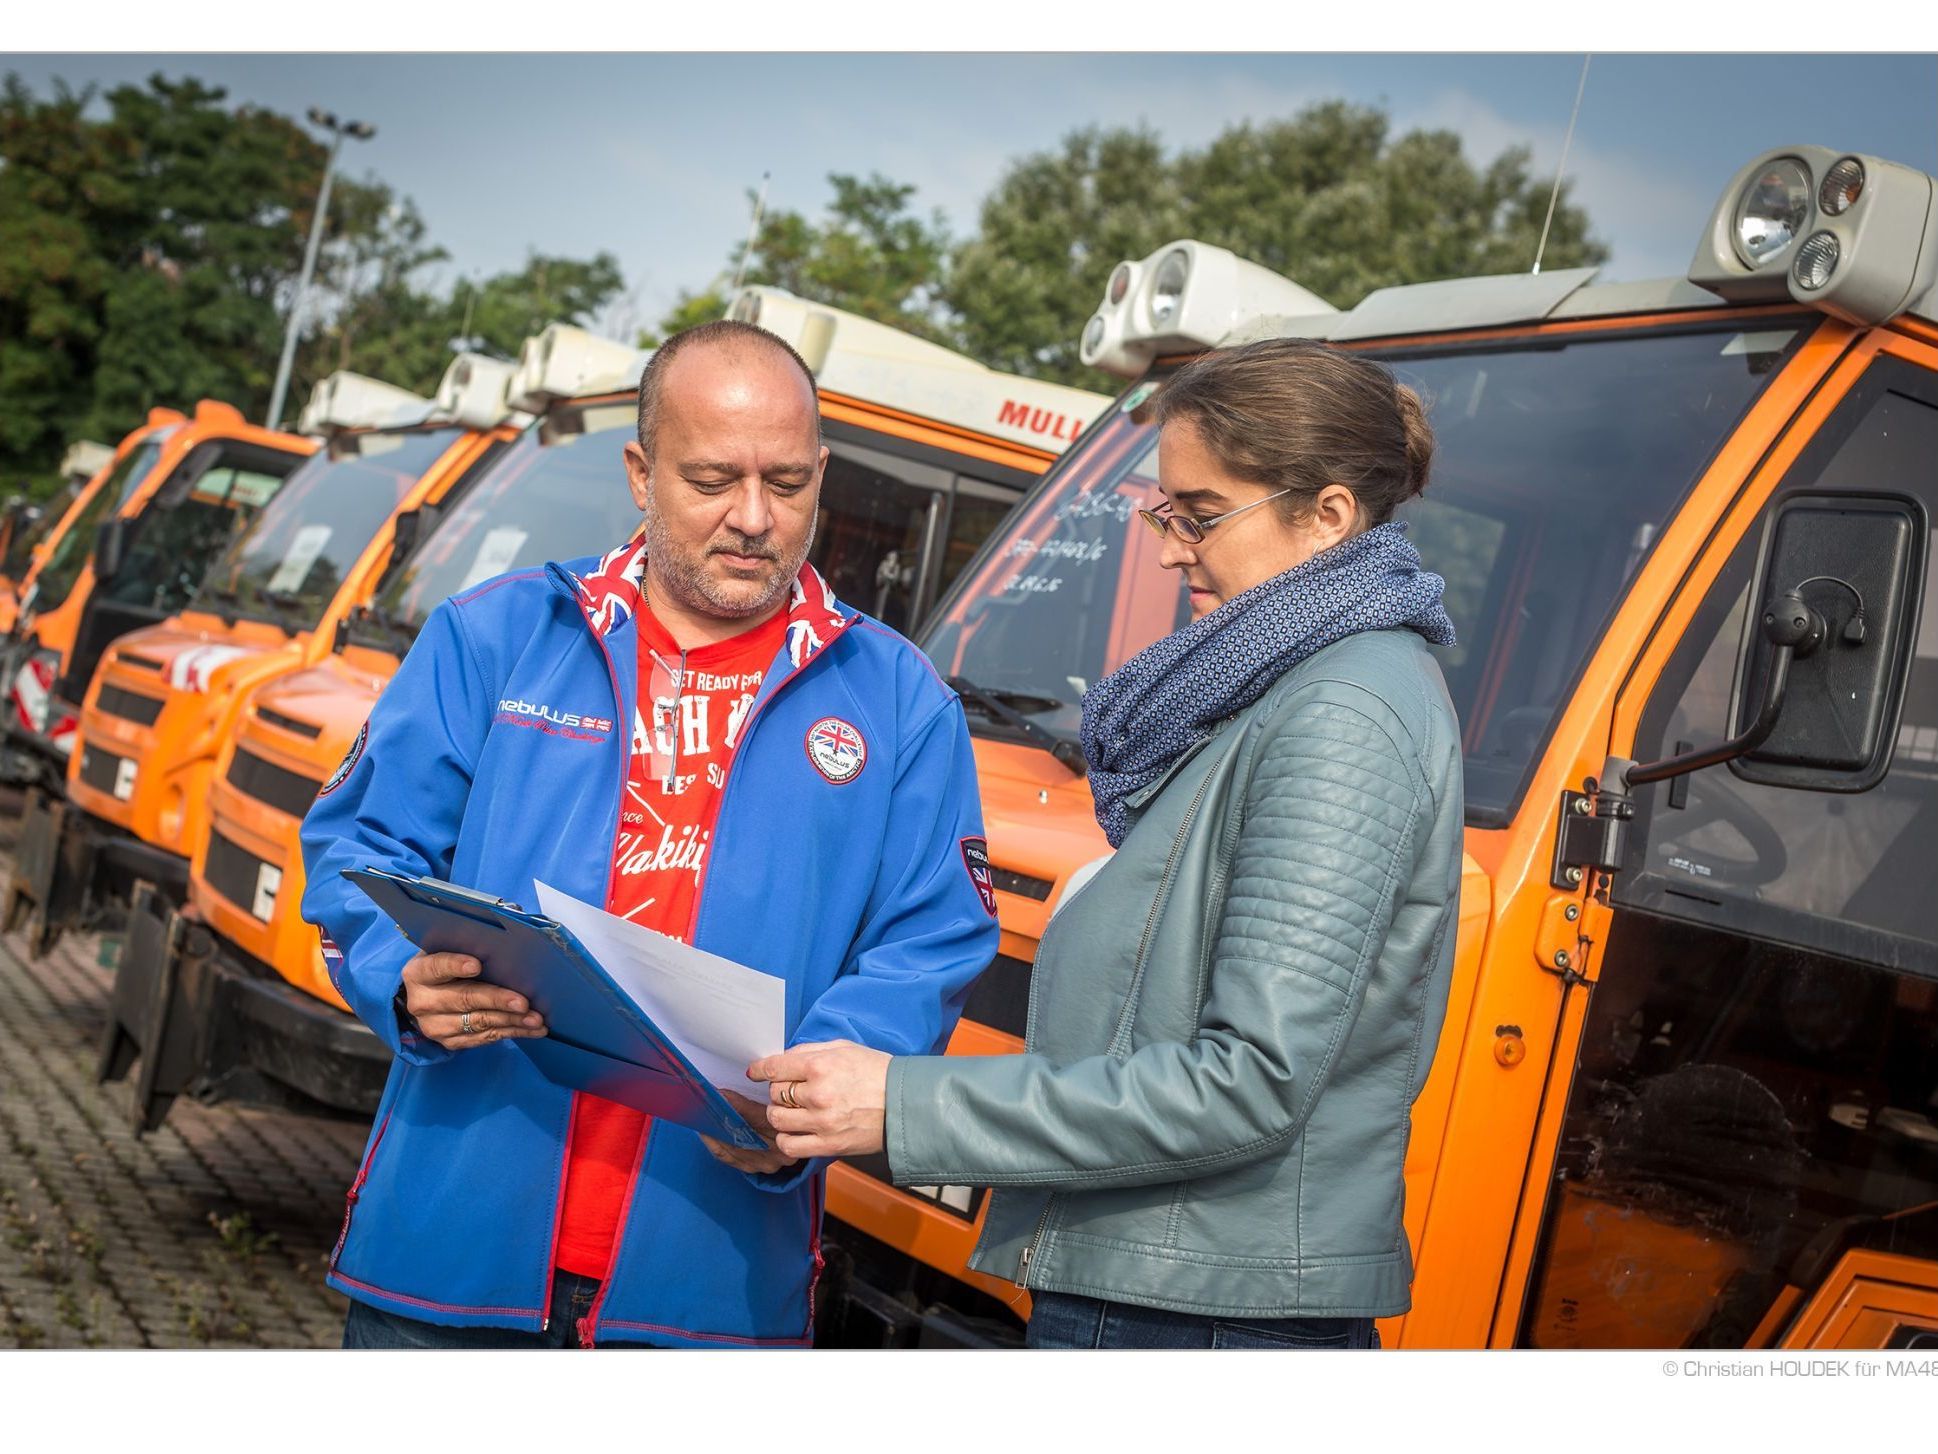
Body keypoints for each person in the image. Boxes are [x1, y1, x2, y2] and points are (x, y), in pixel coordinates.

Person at [751, 336, 1464, 1350]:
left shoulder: (1342, 713)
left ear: (1330, 515)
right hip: (1173, 1276)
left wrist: (904, 1102)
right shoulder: (1285, 685)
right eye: (1165, 510)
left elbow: (1248, 1078)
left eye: (1203, 514)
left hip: (1200, 1304)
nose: (1172, 547)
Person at [300, 320, 1000, 1348]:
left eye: (789, 481)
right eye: (713, 478)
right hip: (451, 1249)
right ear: (641, 470)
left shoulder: (899, 702)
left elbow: (930, 940)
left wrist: (819, 1089)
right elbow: (358, 851)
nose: (755, 517)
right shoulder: (496, 635)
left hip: (709, 1278)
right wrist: (400, 976)